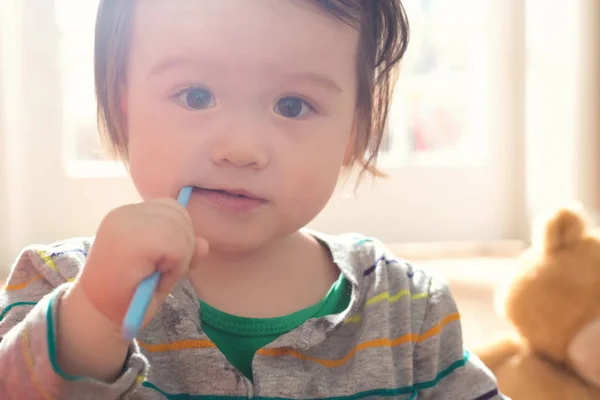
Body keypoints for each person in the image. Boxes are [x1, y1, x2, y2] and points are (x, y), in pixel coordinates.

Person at [0, 1, 506, 398]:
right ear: (121, 102)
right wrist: (95, 316)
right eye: (195, 95)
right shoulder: (61, 282)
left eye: (292, 105)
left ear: (353, 131)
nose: (240, 149)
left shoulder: (410, 309)